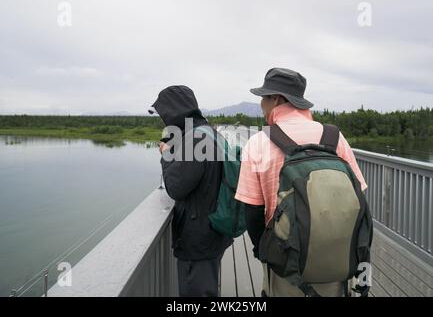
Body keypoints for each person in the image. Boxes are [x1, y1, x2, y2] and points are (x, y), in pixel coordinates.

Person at [234, 68, 368, 297]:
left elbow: (253, 213)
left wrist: (262, 251)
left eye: (262, 98)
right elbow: (359, 194)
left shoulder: (258, 142)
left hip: (286, 259)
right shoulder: (334, 137)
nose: (261, 105)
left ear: (275, 99)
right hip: (338, 255)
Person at [151, 85, 232, 297]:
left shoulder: (196, 139)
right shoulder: (207, 132)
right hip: (212, 231)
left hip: (199, 240)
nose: (162, 120)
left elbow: (176, 188)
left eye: (163, 114)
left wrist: (167, 154)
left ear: (174, 112)